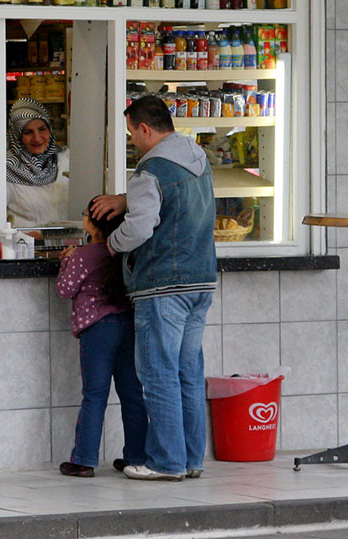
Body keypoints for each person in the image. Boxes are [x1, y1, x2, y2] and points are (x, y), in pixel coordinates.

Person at [91, 94, 216, 482]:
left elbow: (142, 227)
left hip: (163, 285)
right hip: (201, 280)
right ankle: (191, 459)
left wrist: (110, 245)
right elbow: (171, 199)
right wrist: (126, 199)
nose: (133, 142)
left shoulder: (150, 170)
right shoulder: (196, 158)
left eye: (132, 134)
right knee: (188, 373)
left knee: (158, 373)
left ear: (145, 129)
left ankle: (165, 462)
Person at [55, 197, 148, 478]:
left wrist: (66, 261)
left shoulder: (84, 255)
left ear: (90, 222)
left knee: (95, 395)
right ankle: (136, 456)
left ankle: (84, 459)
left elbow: (64, 289)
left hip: (98, 330)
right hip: (129, 326)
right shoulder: (126, 250)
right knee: (132, 394)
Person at [6, 97, 69, 226]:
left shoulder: (65, 159)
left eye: (42, 129)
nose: (37, 138)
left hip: (68, 243)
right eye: (28, 132)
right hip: (24, 244)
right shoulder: (7, 168)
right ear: (17, 136)